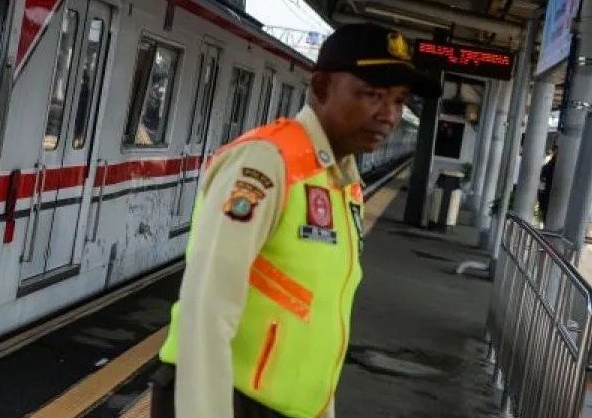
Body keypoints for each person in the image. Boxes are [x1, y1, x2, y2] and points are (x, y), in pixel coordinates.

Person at [153, 23, 441, 418]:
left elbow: (321, 313)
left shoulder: (343, 182)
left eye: (398, 100)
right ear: (321, 87)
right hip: (227, 400)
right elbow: (207, 304)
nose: (389, 115)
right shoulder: (267, 162)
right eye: (372, 95)